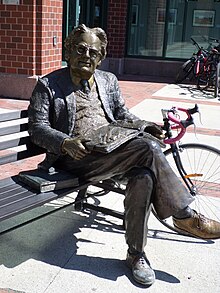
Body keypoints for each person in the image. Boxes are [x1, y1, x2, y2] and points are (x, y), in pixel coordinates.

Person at [28, 24, 220, 286]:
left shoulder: (108, 81)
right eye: (81, 49)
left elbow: (122, 115)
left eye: (93, 52)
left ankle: (136, 255)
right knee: (148, 148)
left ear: (101, 57)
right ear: (69, 50)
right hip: (74, 159)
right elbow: (37, 128)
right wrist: (65, 143)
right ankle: (183, 216)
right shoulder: (48, 85)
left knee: (144, 176)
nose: (87, 56)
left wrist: (144, 125)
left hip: (113, 152)